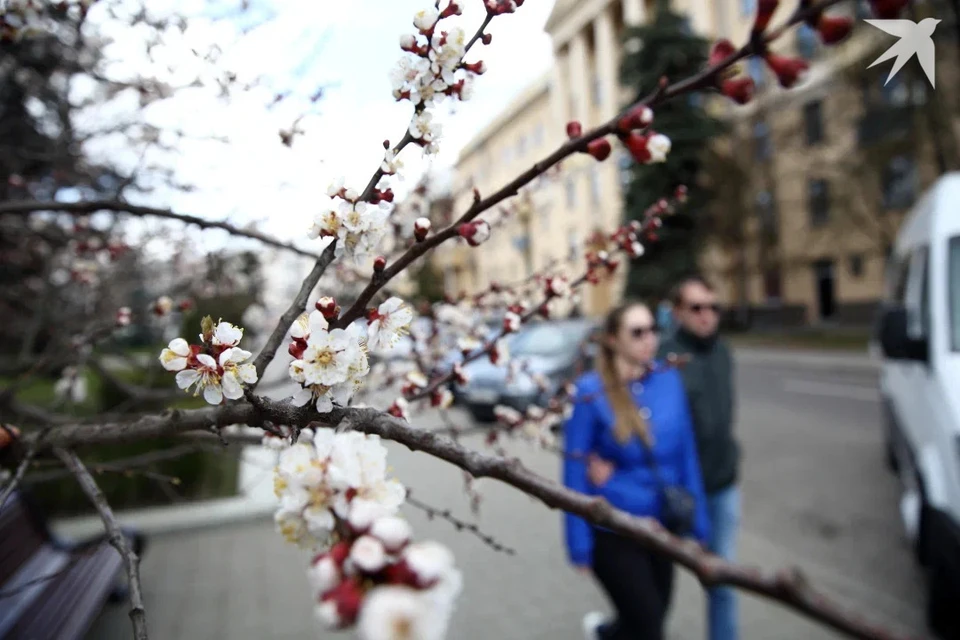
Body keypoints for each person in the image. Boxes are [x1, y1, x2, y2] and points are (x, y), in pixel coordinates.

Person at [563, 300, 711, 640]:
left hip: (663, 526)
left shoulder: (669, 381)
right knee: (649, 626)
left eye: (652, 330)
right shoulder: (591, 392)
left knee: (653, 616)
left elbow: (687, 454)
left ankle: (604, 634)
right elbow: (574, 470)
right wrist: (578, 544)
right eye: (637, 332)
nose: (649, 339)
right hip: (615, 530)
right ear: (613, 339)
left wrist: (700, 523)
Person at [658, 275, 740, 640]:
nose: (707, 315)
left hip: (722, 485)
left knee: (722, 582)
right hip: (675, 493)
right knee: (658, 585)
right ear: (678, 312)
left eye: (713, 307)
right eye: (696, 308)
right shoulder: (664, 358)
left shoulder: (723, 352)